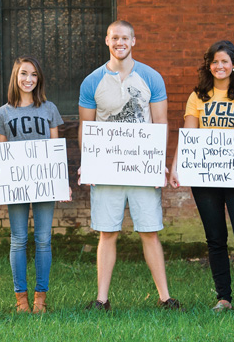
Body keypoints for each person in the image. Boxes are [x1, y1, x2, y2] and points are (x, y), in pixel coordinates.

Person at [78, 20, 181, 311]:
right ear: (107, 41)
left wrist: (158, 162)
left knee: (149, 231)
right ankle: (101, 299)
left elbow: (160, 122)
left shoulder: (151, 78)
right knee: (107, 232)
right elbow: (86, 127)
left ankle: (165, 298)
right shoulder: (91, 81)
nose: (119, 42)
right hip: (106, 169)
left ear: (134, 41)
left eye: (125, 38)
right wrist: (89, 164)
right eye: (114, 38)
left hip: (141, 168)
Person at [169, 40, 234, 312]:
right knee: (215, 238)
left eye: (225, 61)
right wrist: (176, 164)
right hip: (205, 176)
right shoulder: (197, 97)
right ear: (208, 65)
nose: (220, 66)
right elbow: (188, 134)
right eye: (215, 61)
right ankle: (223, 298)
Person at [0, 56, 65, 313]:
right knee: (19, 239)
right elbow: (0, 154)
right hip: (17, 185)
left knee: (43, 239)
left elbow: (56, 149)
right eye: (24, 74)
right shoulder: (3, 113)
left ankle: (40, 299)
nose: (28, 79)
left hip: (45, 182)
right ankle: (21, 299)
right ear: (15, 77)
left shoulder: (49, 109)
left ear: (39, 79)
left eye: (33, 75)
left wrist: (60, 183)